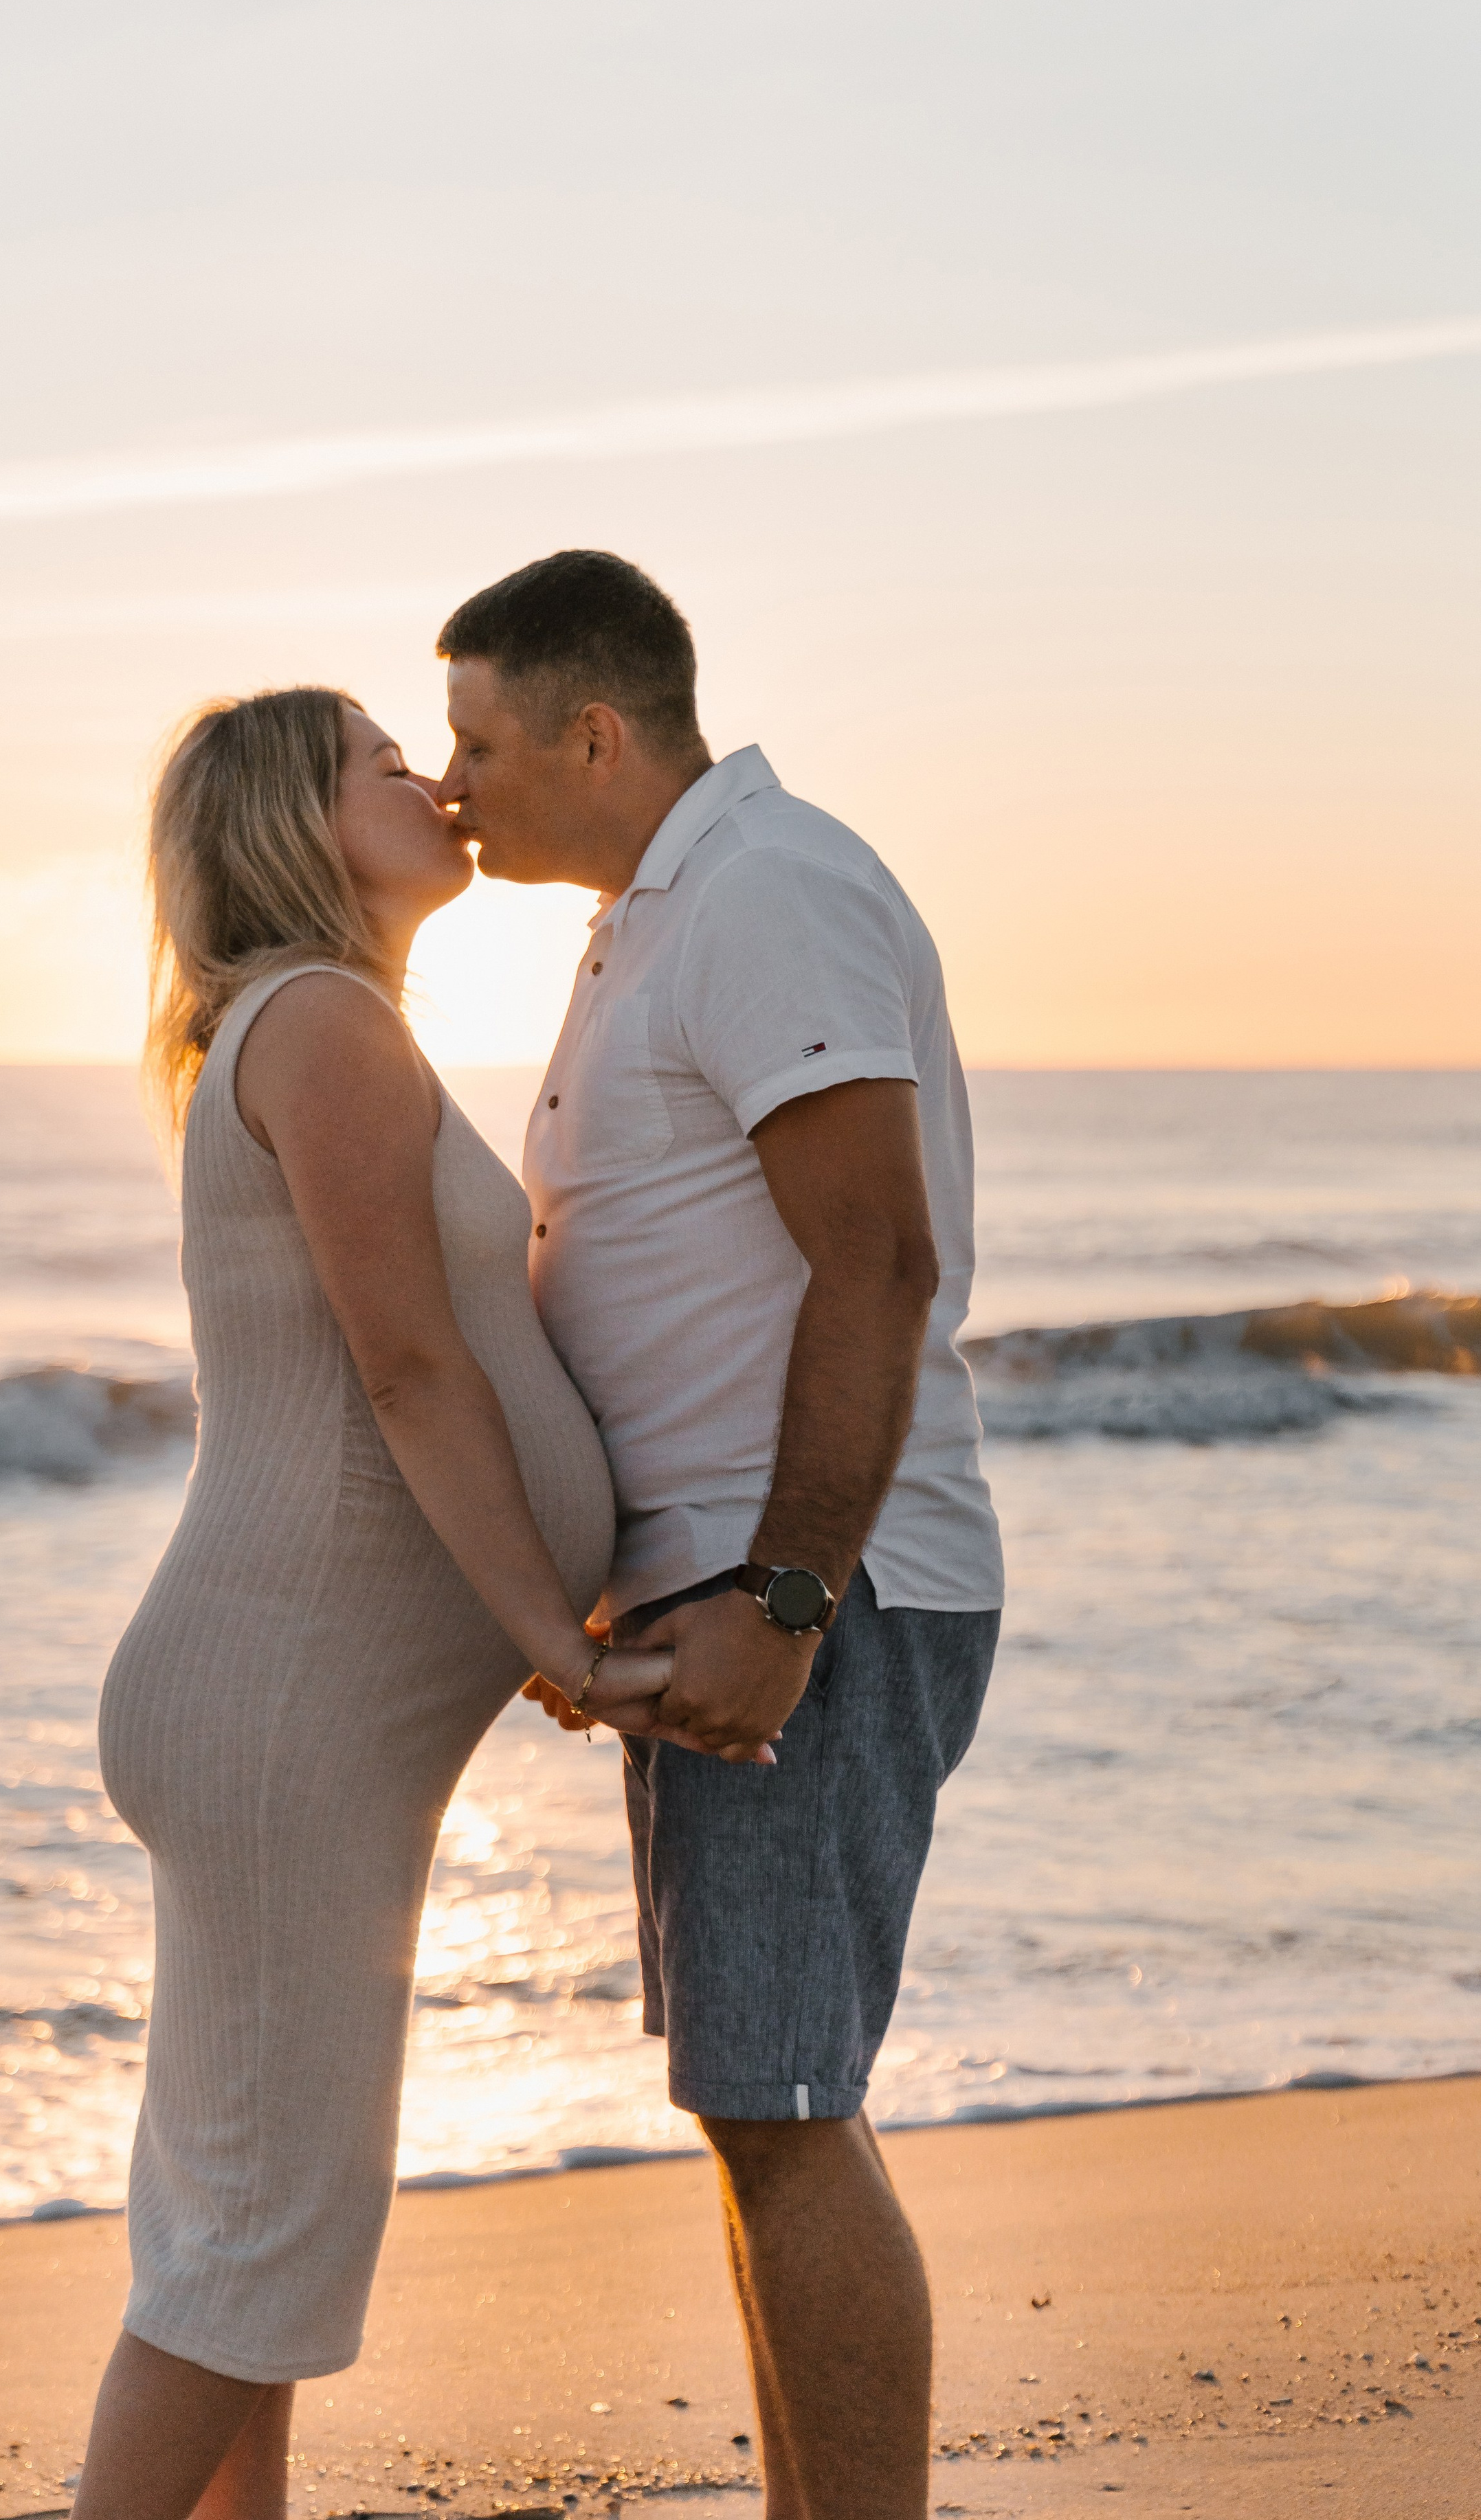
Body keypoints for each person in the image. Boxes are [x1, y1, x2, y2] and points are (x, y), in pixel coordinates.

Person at [76, 687, 688, 2520]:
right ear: (291, 821)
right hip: (283, 1709)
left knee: (244, 2224)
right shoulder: (328, 1024)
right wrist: (548, 1633)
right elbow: (410, 1371)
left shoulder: (315, 1024)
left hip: (274, 1703)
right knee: (264, 2224)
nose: (428, 777)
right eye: (376, 759)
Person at [436, 552, 1004, 2520]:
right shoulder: (647, 920)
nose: (453, 782)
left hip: (808, 1593)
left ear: (597, 733)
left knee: (782, 2106)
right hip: (724, 1593)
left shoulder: (766, 891)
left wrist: (786, 1595)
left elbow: (879, 1258)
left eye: (482, 740)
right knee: (754, 2106)